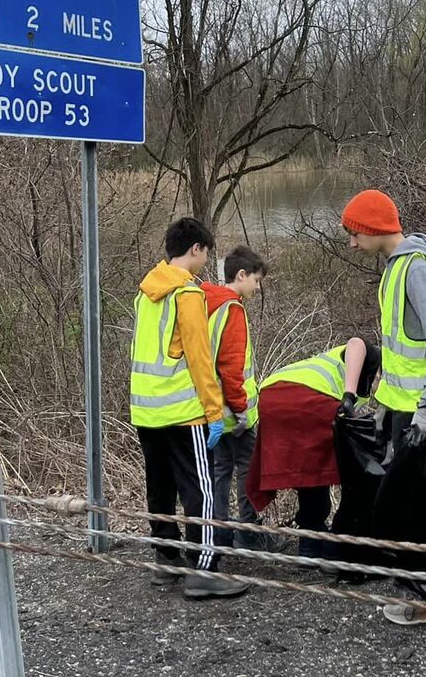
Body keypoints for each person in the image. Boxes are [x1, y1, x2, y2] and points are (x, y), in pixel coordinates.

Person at [340, 187, 426, 628]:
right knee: (413, 502)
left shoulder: (416, 271)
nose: (351, 243)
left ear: (371, 229)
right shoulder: (397, 270)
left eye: (354, 233)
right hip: (409, 407)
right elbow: (401, 355)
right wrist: (383, 405)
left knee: (424, 502)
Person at [128, 216, 248, 600]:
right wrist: (215, 412)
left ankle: (167, 559)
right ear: (196, 249)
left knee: (159, 488)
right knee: (201, 489)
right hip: (183, 411)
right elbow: (200, 358)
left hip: (146, 410)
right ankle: (205, 568)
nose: (205, 261)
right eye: (205, 253)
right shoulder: (188, 295)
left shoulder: (146, 293)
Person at [246, 337, 381, 558]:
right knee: (348, 467)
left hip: (271, 396)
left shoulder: (324, 363)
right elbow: (357, 343)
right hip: (305, 398)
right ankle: (336, 540)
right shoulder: (365, 357)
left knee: (310, 472)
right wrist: (349, 396)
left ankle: (310, 541)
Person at [203, 245, 267, 551]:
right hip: (234, 412)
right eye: (255, 280)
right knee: (246, 468)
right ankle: (249, 532)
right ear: (240, 275)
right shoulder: (233, 309)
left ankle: (219, 530)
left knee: (219, 470)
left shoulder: (205, 302)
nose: (257, 287)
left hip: (212, 412)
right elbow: (232, 367)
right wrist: (242, 410)